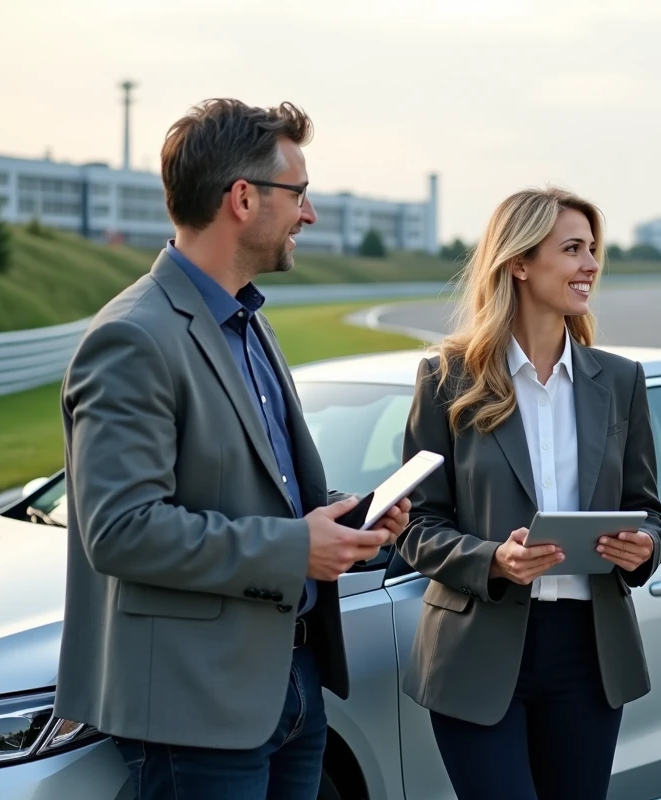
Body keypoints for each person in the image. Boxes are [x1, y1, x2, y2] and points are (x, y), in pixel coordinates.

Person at [54, 98, 409, 800]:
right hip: (198, 707)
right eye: (299, 194)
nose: (308, 214)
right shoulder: (134, 337)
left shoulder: (249, 324)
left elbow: (261, 488)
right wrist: (292, 549)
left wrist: (349, 518)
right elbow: (120, 531)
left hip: (293, 686)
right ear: (243, 199)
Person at [396, 187, 661, 800]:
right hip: (477, 654)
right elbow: (415, 525)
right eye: (572, 249)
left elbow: (650, 514)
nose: (590, 265)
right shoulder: (447, 378)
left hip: (588, 653)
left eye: (593, 250)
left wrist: (642, 547)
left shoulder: (620, 381)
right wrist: (493, 559)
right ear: (519, 262)